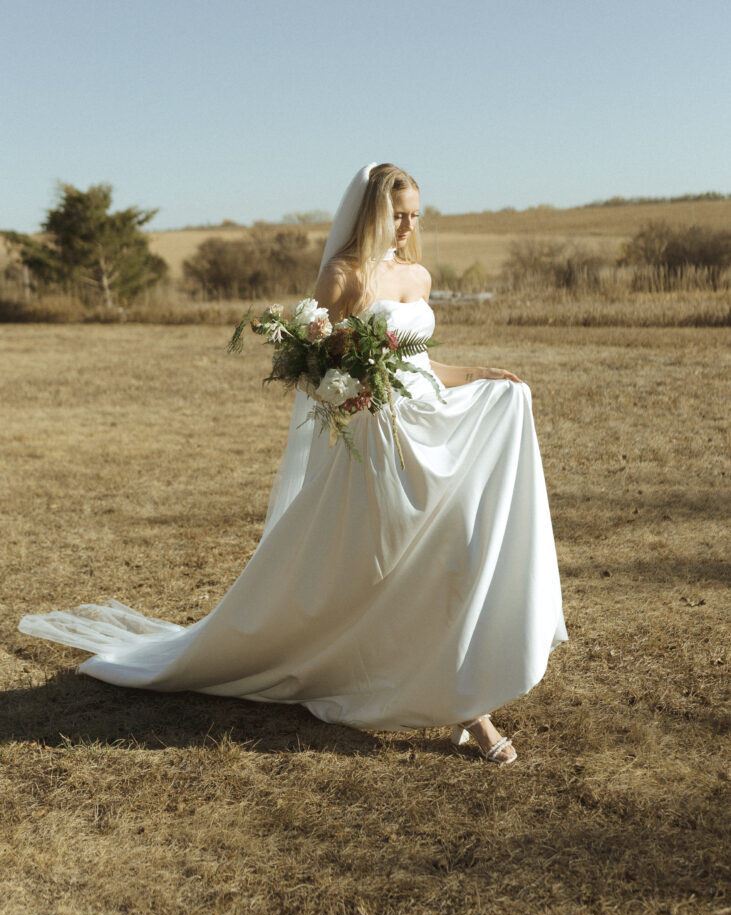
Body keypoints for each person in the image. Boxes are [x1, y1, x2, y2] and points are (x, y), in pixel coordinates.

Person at [19, 162, 566, 764]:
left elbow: (422, 363)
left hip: (431, 425)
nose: (409, 226)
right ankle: (413, 686)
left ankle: (468, 708)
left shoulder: (419, 275)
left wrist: (480, 375)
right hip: (380, 436)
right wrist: (346, 390)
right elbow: (310, 365)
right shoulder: (345, 276)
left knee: (458, 547)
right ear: (373, 213)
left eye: (416, 215)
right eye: (399, 214)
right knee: (380, 567)